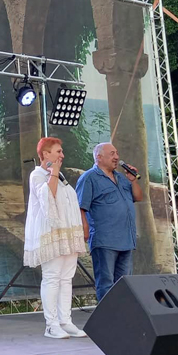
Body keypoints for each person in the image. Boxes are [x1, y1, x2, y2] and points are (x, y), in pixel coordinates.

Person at [23, 137, 89, 339]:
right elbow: (47, 197)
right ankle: (51, 325)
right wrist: (53, 172)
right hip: (50, 234)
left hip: (66, 233)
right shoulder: (38, 175)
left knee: (66, 278)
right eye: (58, 151)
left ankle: (65, 321)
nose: (62, 155)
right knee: (52, 278)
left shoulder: (59, 175)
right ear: (45, 154)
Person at [76, 143, 143, 302]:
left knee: (125, 283)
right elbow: (80, 207)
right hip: (105, 240)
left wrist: (133, 180)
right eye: (112, 154)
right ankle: (108, 315)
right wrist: (84, 228)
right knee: (106, 283)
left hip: (126, 239)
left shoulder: (121, 178)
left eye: (117, 153)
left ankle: (123, 314)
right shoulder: (89, 178)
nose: (117, 157)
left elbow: (138, 197)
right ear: (99, 157)